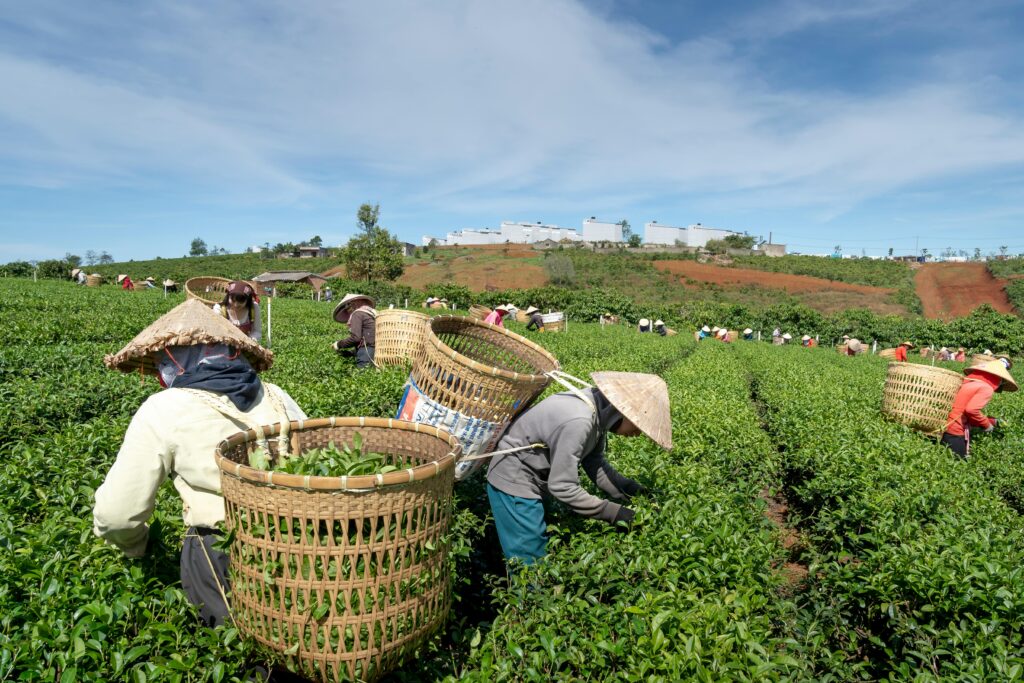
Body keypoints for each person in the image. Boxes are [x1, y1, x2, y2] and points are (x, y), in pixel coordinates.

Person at [93, 299, 307, 627]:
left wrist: (140, 548)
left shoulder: (165, 408)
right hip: (304, 541)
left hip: (219, 553)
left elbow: (117, 515)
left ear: (174, 361)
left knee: (238, 655)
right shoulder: (277, 394)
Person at [486, 371, 672, 564]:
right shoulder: (579, 420)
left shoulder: (598, 411)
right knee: (531, 565)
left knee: (545, 547)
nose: (637, 434)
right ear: (626, 412)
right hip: (514, 481)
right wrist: (614, 513)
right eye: (639, 426)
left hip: (538, 477)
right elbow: (562, 487)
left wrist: (631, 490)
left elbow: (594, 462)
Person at [940, 360, 1017, 459]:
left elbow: (963, 409)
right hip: (955, 429)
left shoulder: (968, 381)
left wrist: (992, 421)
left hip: (944, 424)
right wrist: (987, 425)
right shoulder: (986, 388)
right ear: (998, 379)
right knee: (959, 462)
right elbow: (971, 410)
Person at [332, 293, 377, 369]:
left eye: (348, 306)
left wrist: (338, 344)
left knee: (362, 378)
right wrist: (351, 353)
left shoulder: (358, 314)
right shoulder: (369, 315)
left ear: (355, 303)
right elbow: (367, 338)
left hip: (366, 353)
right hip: (374, 351)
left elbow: (356, 338)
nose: (348, 310)